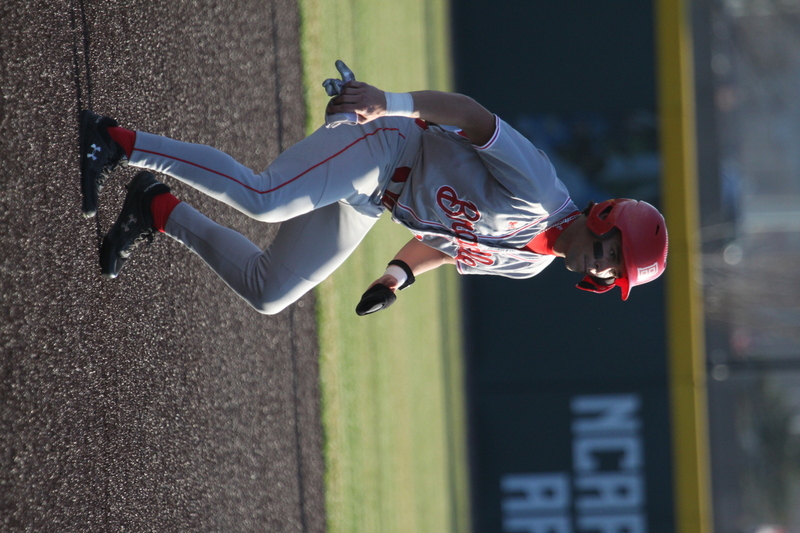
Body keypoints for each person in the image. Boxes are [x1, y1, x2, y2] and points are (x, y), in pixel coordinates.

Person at [78, 62, 668, 316]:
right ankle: (119, 143)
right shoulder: (539, 192)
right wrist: (390, 103)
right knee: (266, 197)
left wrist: (396, 278)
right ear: (605, 216)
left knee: (271, 291)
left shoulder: (528, 266)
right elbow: (470, 115)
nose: (606, 262)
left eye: (615, 268)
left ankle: (155, 209)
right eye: (615, 247)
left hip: (375, 200)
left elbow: (445, 247)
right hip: (388, 147)